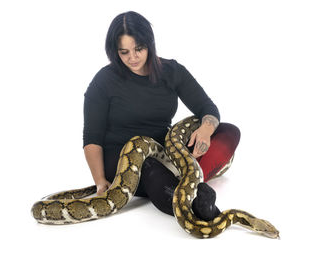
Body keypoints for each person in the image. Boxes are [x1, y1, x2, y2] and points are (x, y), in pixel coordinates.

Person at [83, 11, 240, 221]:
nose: (133, 58)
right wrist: (100, 180)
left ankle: (187, 175)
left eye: (139, 49)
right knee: (151, 171)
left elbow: (207, 107)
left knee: (228, 131)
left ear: (150, 43)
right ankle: (196, 204)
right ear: (115, 52)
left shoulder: (171, 71)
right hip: (122, 157)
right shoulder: (103, 81)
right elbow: (92, 138)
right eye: (124, 52)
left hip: (166, 150)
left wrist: (205, 130)